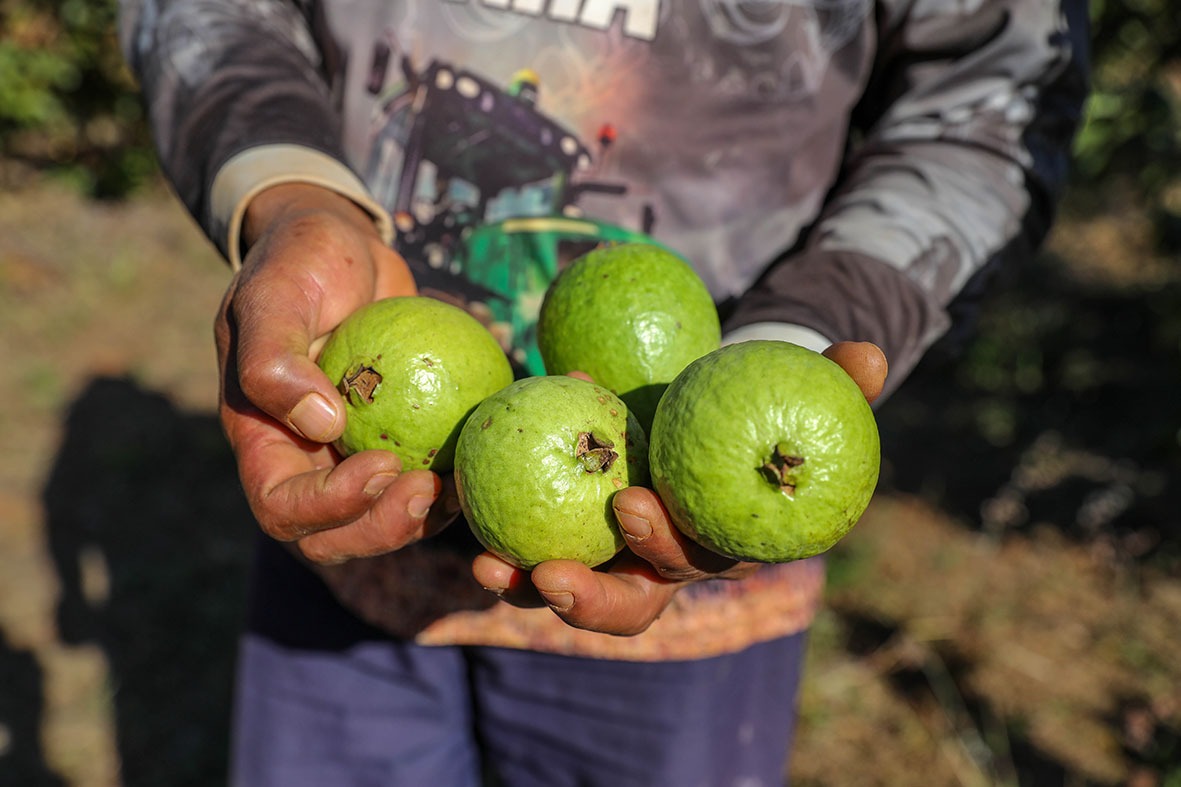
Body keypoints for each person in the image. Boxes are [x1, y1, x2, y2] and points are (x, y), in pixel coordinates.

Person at [119, 2, 1089, 784]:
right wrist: (289, 192)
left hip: (695, 570)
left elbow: (997, 94)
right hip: (346, 501)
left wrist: (790, 345)